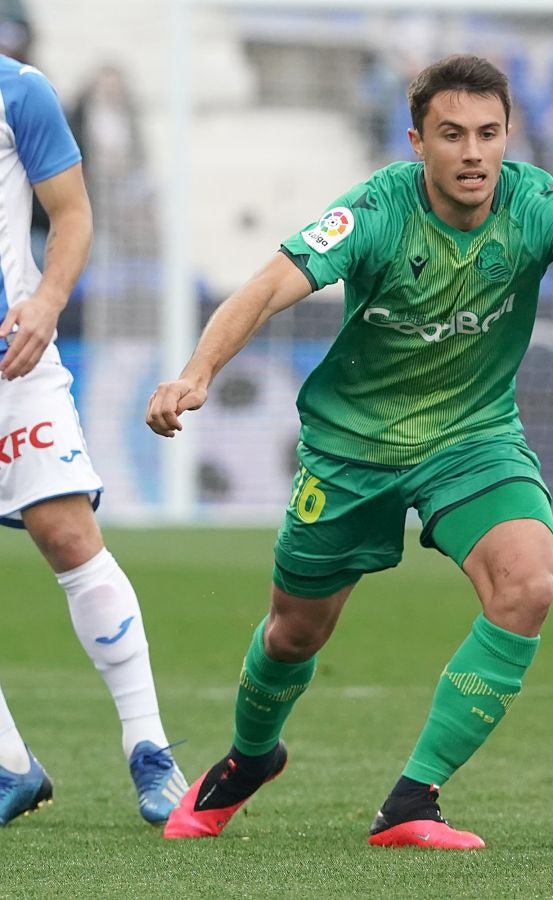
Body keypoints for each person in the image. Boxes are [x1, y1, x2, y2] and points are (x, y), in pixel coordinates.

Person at [145, 54, 553, 851]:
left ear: (509, 135)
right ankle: (248, 760)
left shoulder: (534, 200)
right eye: (452, 135)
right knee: (294, 632)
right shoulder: (377, 207)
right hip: (353, 449)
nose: (474, 152)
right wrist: (197, 372)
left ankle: (413, 801)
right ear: (418, 140)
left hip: (473, 439)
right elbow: (271, 284)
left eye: (489, 134)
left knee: (528, 584)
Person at [0, 56, 186, 826]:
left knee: (67, 534)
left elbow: (71, 214)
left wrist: (46, 302)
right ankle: (11, 766)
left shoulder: (19, 90)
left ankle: (152, 754)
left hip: (13, 356)